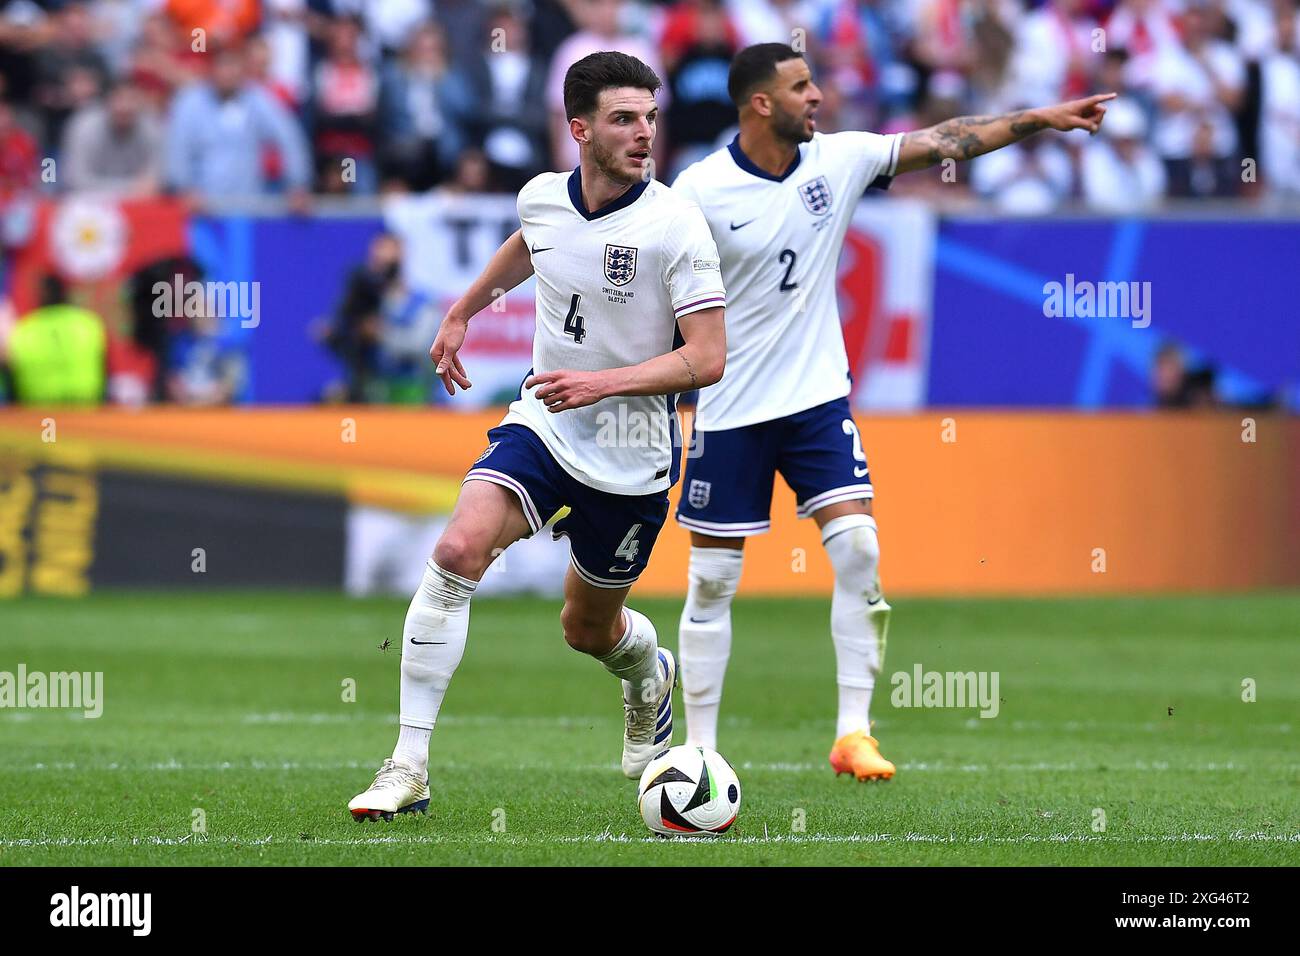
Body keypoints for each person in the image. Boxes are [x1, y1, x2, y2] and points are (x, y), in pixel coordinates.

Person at [671, 42, 1113, 782]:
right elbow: (664, 292)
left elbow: (944, 141)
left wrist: (1037, 118)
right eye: (801, 86)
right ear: (759, 104)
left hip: (815, 401)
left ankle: (853, 733)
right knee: (712, 581)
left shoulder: (838, 160)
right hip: (730, 408)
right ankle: (702, 748)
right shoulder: (699, 192)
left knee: (859, 551)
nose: (819, 97)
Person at [348, 51, 727, 821]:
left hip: (632, 456)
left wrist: (602, 381)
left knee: (585, 629)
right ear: (578, 128)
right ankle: (408, 766)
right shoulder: (542, 198)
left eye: (650, 118)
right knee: (457, 552)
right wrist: (464, 309)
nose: (644, 133)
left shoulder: (676, 224)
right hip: (546, 426)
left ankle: (646, 672)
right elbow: (532, 241)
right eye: (625, 119)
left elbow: (708, 357)